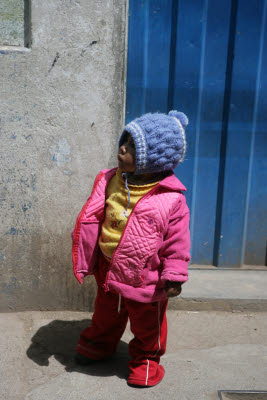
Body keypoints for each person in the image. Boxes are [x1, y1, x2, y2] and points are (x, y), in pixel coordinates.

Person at [71, 110, 191, 387]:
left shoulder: (171, 199)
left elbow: (177, 242)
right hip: (108, 267)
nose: (121, 148)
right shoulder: (111, 179)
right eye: (123, 141)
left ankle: (146, 361)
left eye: (132, 146)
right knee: (105, 312)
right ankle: (98, 345)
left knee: (147, 322)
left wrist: (174, 274)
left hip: (146, 275)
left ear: (154, 158)